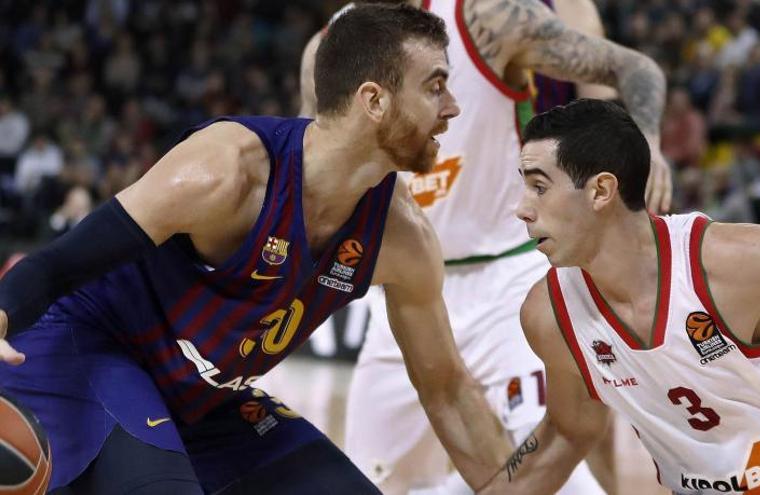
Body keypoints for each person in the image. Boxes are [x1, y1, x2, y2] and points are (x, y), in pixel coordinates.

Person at [0, 5, 513, 494]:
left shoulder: (404, 239)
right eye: (436, 86)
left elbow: (446, 389)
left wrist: (522, 488)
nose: (453, 108)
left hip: (205, 395)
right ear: (374, 101)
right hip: (94, 348)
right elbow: (57, 264)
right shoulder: (227, 171)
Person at [291, 1, 669, 494]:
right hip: (406, 291)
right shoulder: (328, 48)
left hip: (510, 282)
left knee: (557, 477)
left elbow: (634, 67)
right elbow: (306, 167)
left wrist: (649, 145)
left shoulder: (485, 18)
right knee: (374, 483)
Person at [478, 98, 760, 494]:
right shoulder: (548, 314)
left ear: (601, 190)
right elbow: (565, 436)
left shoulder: (725, 260)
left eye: (539, 187)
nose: (521, 209)